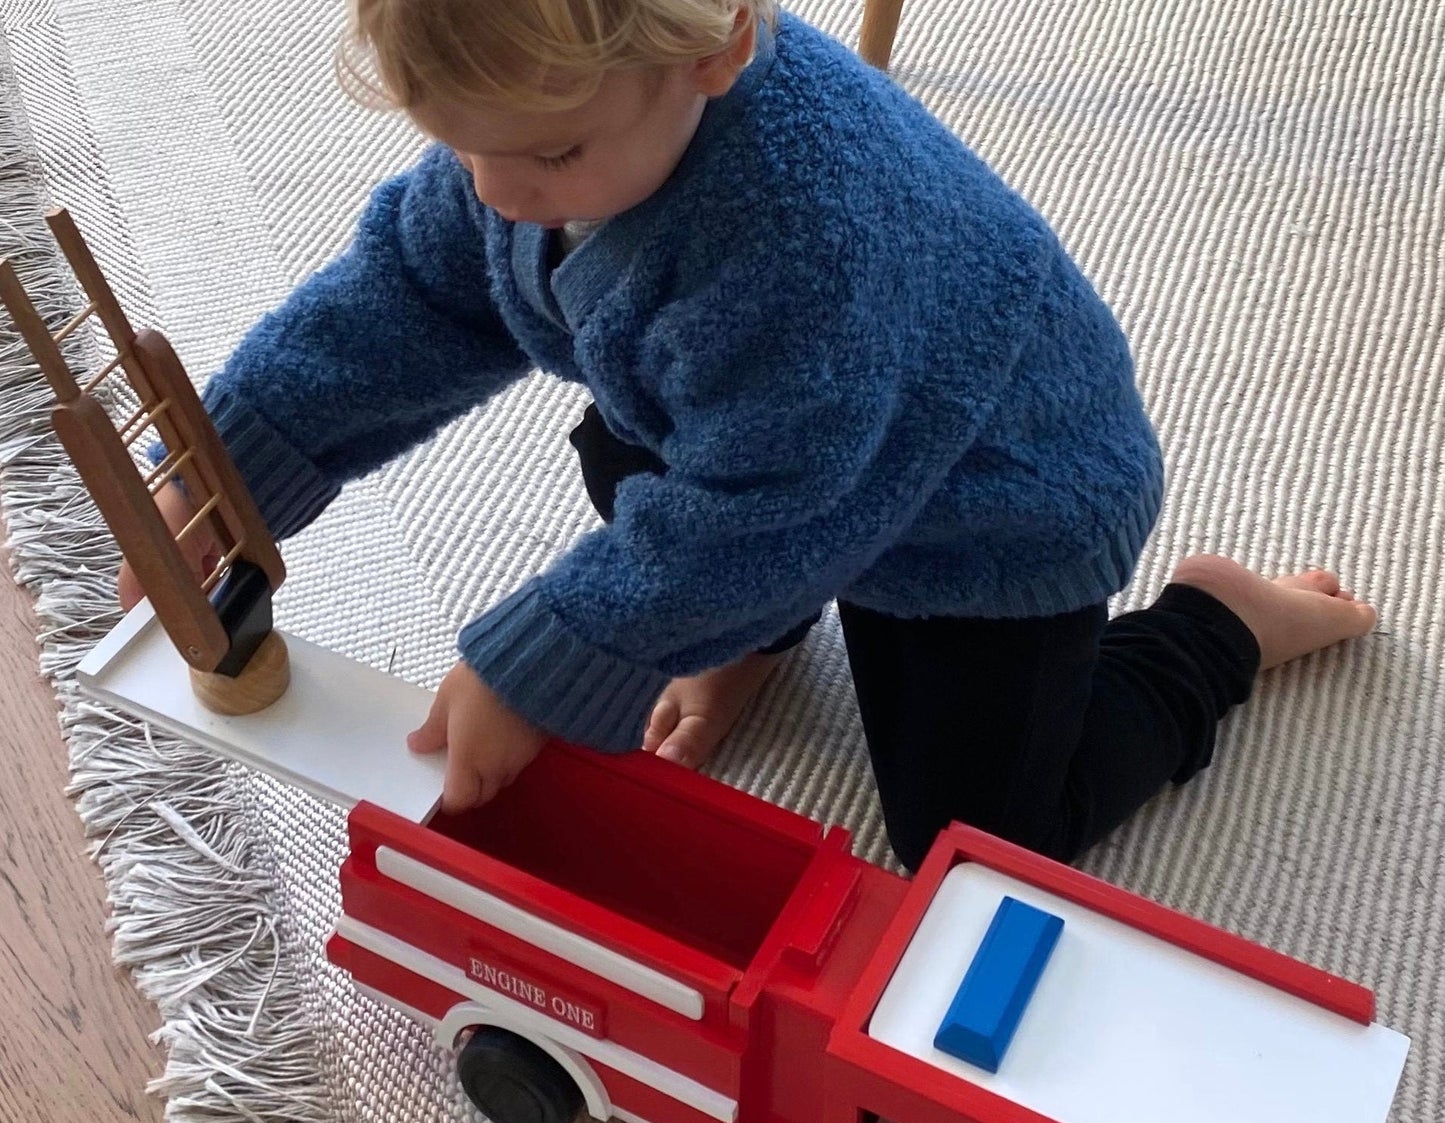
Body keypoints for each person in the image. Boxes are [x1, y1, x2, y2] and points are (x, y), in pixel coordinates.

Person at [124, 0, 1376, 871]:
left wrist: (554, 652)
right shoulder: (539, 137)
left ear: (715, 53)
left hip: (988, 518)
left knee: (982, 835)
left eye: (549, 152)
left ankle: (1214, 625)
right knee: (629, 457)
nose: (494, 193)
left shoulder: (805, 242)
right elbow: (412, 292)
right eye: (456, 144)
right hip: (780, 452)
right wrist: (237, 460)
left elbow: (766, 507)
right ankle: (756, 631)